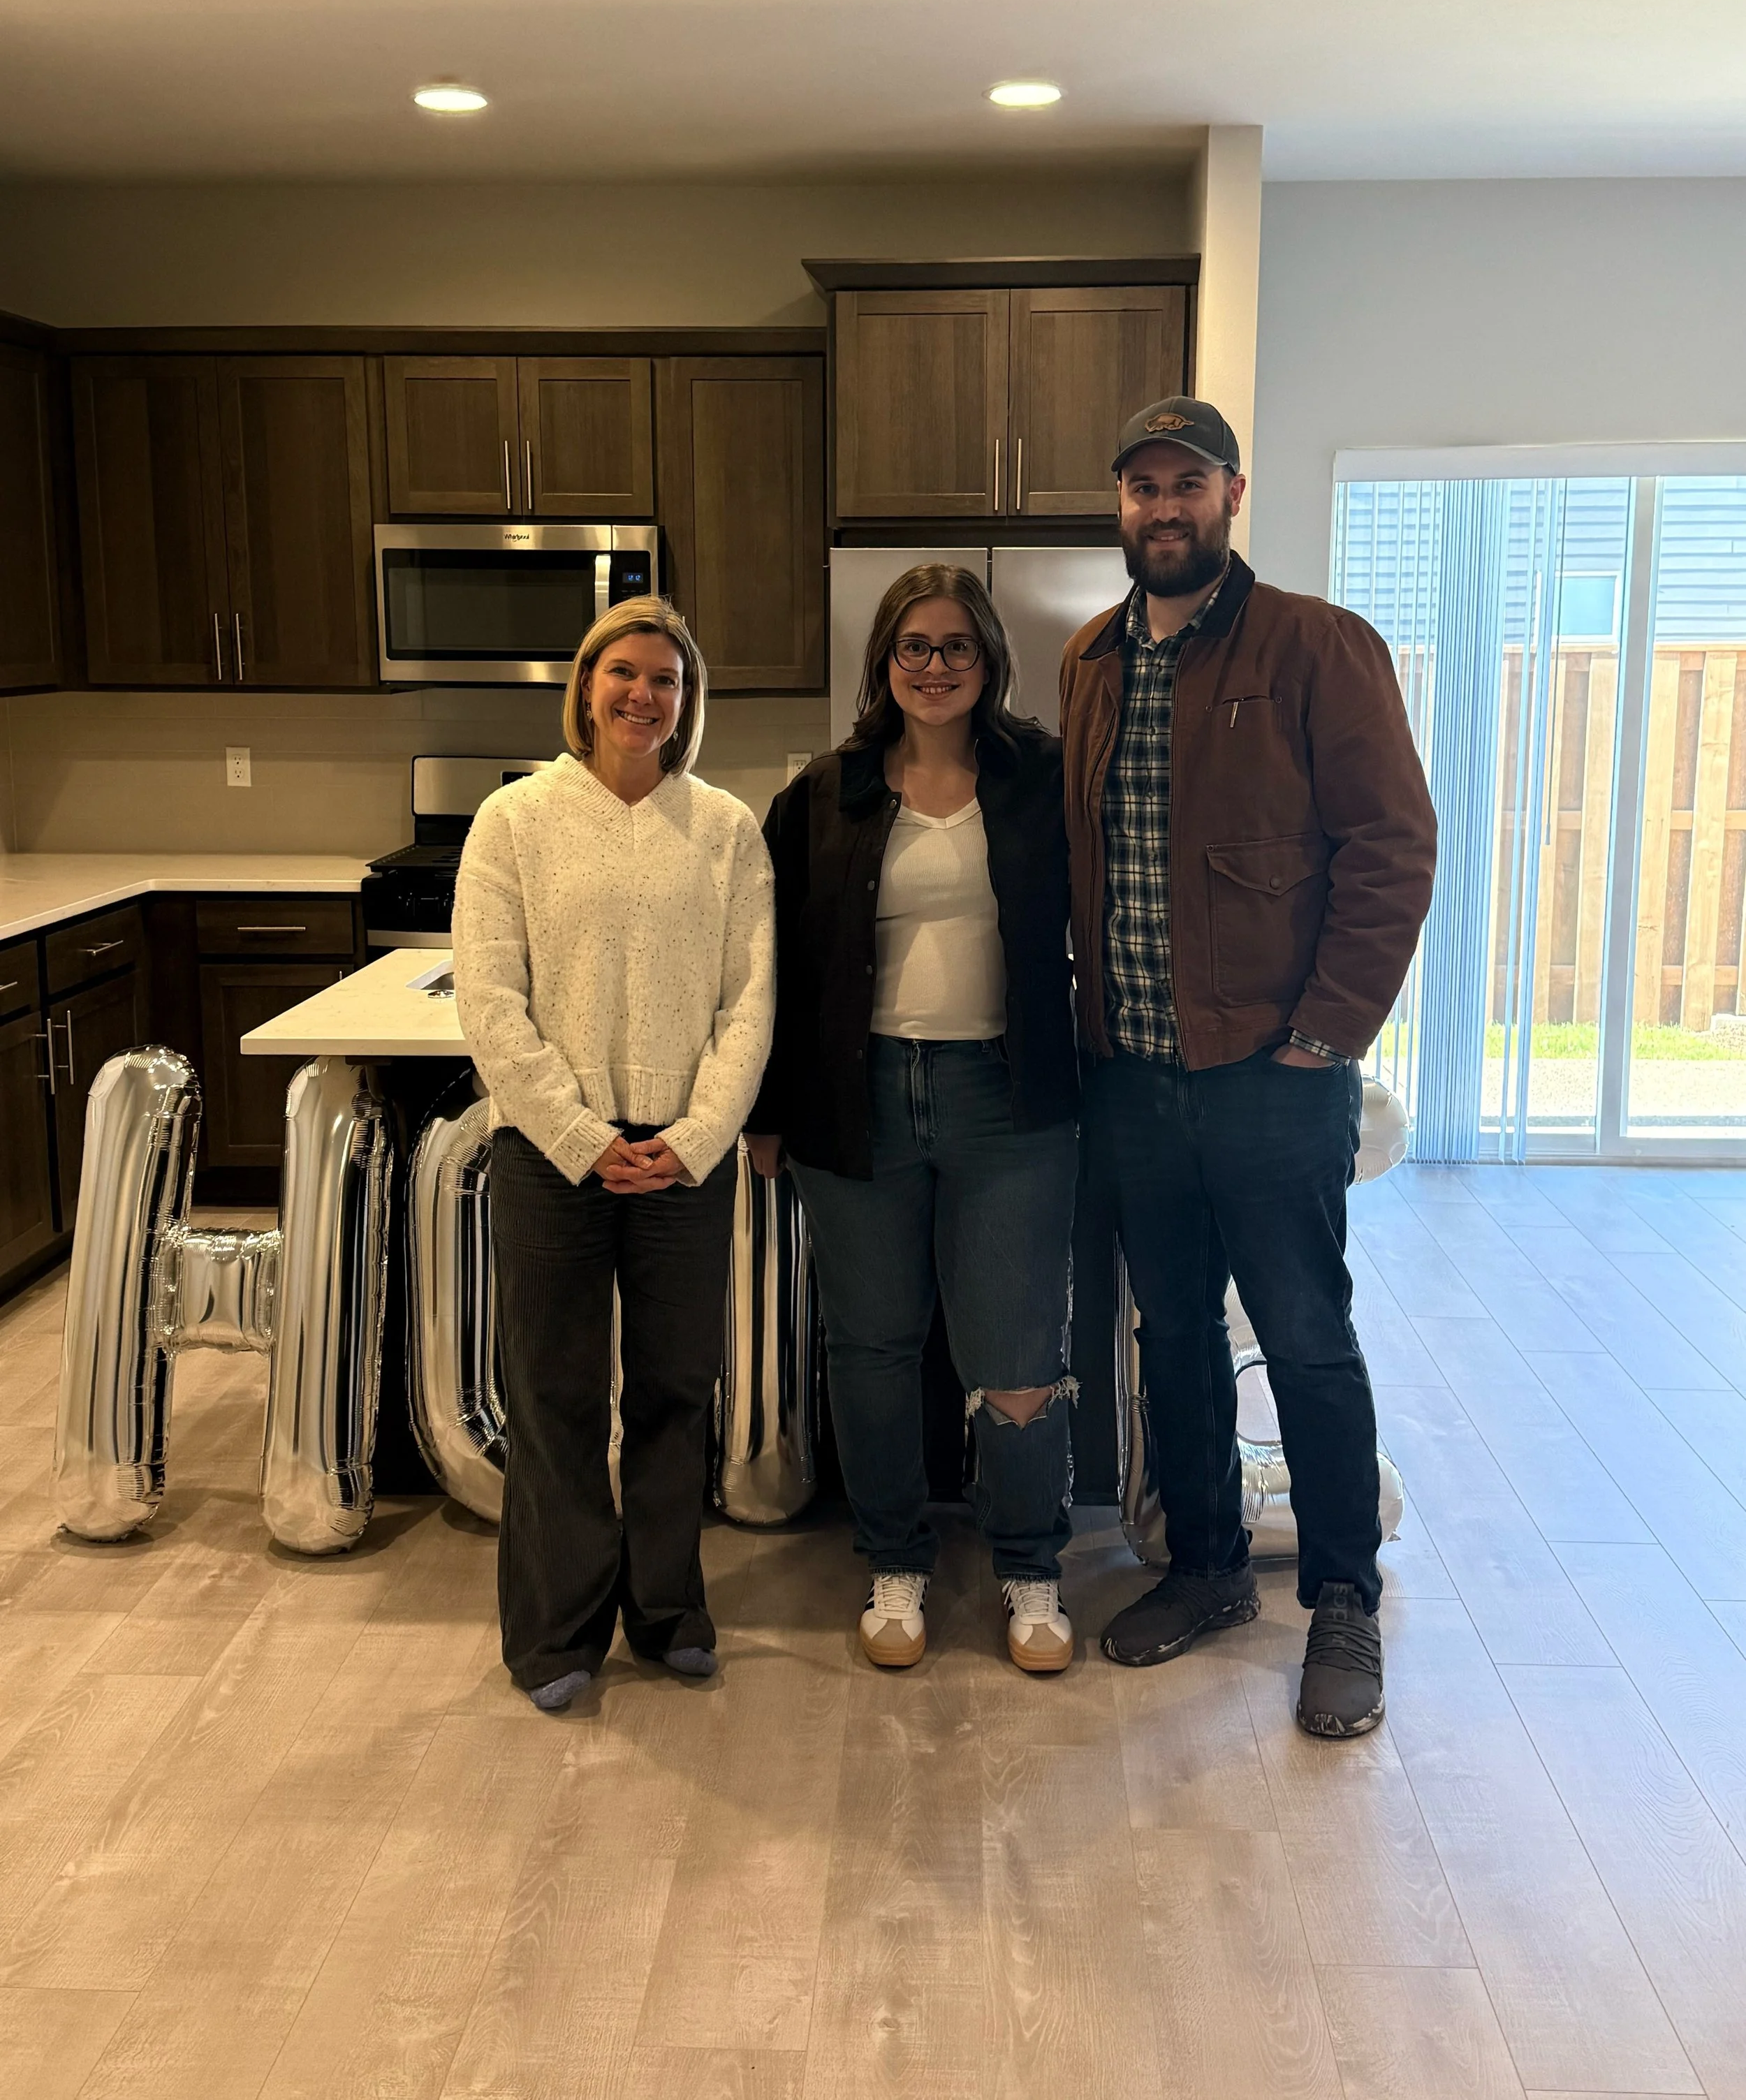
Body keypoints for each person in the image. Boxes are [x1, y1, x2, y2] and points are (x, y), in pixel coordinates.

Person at [1061, 396, 1435, 1738]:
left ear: (1231, 496)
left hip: (1277, 1072)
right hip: (1137, 1075)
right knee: (1172, 1338)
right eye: (1142, 486)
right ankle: (1209, 1564)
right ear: (1121, 506)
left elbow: (1393, 849)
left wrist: (1328, 1032)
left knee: (1305, 1335)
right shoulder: (1094, 660)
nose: (1164, 507)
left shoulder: (1320, 647)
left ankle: (1342, 1594)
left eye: (1188, 483)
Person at [748, 565, 1080, 1675]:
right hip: (863, 1097)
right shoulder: (826, 790)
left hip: (1011, 1097)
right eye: (914, 646)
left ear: (988, 660)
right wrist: (765, 1111)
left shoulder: (1042, 774)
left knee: (1018, 1345)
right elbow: (776, 964)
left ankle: (1031, 1562)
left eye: (956, 646)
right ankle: (896, 1558)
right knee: (876, 1344)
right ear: (884, 662)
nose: (934, 666)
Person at [453, 596, 775, 1712]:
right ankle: (556, 1630)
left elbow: (750, 1004)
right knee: (557, 1391)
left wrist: (691, 1140)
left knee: (679, 1387)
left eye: (667, 679)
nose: (644, 695)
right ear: (586, 683)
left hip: (686, 1158)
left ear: (689, 701)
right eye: (623, 673)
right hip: (552, 1155)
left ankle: (669, 1608)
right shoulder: (516, 823)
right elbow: (490, 1000)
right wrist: (586, 1138)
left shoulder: (728, 829)